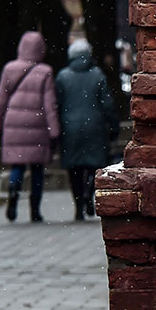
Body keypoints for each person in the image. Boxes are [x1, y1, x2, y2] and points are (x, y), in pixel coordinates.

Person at [0, 31, 60, 223]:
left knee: (17, 165)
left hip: (13, 124)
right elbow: (50, 105)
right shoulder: (45, 71)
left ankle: (14, 192)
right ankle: (35, 209)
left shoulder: (9, 69)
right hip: (37, 126)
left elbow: (0, 101)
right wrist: (54, 130)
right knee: (38, 170)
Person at [56, 39, 119, 221]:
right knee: (93, 165)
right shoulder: (98, 75)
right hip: (95, 126)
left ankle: (78, 205)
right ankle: (89, 193)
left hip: (70, 128)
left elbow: (57, 104)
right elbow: (107, 104)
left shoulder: (63, 76)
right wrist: (113, 125)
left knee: (74, 169)